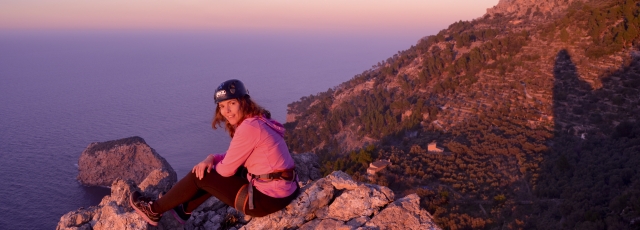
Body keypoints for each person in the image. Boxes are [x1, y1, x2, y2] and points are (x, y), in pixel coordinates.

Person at [129, 79, 299, 226]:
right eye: (222, 106)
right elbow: (234, 155)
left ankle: (153, 209)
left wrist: (208, 164)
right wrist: (212, 157)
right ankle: (182, 210)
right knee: (216, 168)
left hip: (266, 200)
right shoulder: (258, 121)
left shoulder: (249, 128)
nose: (227, 111)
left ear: (244, 102)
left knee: (201, 175)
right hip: (285, 190)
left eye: (232, 103)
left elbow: (226, 171)